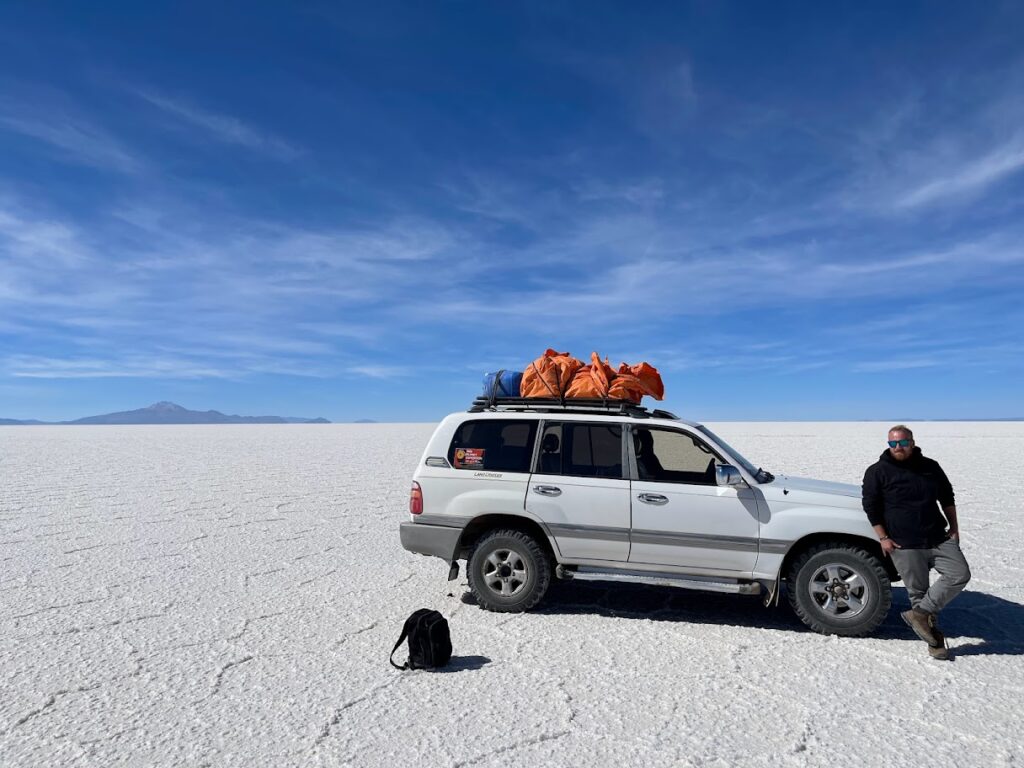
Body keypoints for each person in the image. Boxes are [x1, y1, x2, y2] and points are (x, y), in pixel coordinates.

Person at [862, 425, 971, 660]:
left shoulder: (930, 467)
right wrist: (883, 538)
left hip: (937, 537)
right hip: (904, 543)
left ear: (912, 442)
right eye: (893, 443)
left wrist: (954, 527)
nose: (898, 447)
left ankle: (919, 614)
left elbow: (947, 496)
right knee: (918, 593)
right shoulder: (877, 471)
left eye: (902, 442)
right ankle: (935, 643)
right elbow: (871, 506)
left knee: (959, 573)